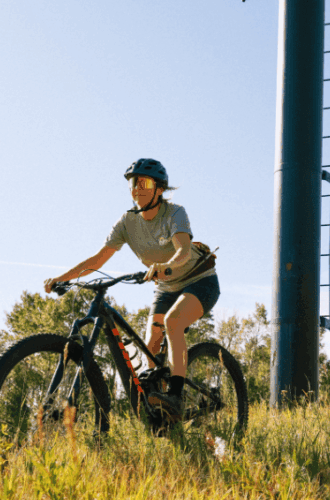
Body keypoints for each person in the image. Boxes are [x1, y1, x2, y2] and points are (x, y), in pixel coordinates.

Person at [44, 158, 219, 422]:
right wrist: (63, 278)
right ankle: (159, 410)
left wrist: (166, 266)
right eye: (133, 183)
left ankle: (175, 395)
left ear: (159, 189)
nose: (137, 188)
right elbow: (98, 259)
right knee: (150, 344)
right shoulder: (127, 221)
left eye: (145, 183)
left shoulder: (175, 213)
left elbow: (183, 250)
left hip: (198, 280)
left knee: (173, 322)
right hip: (166, 286)